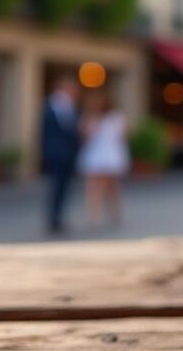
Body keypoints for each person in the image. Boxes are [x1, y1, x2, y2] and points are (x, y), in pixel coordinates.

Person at [77, 92, 129, 228]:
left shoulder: (116, 117)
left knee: (112, 187)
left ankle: (114, 212)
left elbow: (122, 136)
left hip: (110, 155)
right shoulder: (89, 118)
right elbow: (83, 136)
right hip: (95, 155)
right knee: (93, 187)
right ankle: (94, 216)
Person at [40, 76, 81, 234]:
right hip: (56, 153)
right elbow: (45, 132)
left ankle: (58, 218)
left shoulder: (71, 106)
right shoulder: (51, 106)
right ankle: (54, 218)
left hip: (68, 154)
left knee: (64, 187)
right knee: (56, 187)